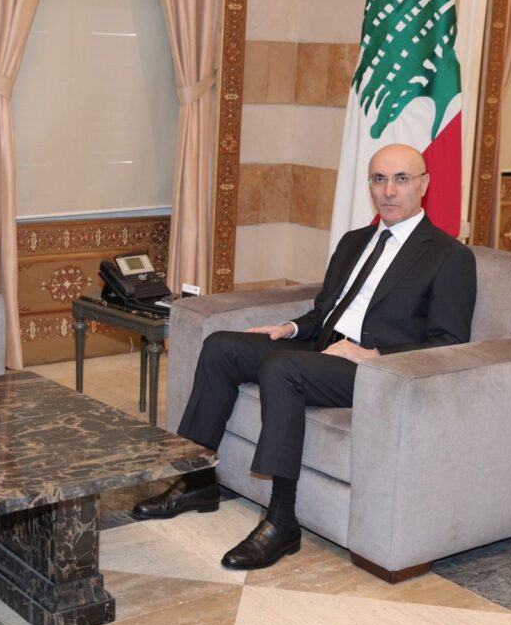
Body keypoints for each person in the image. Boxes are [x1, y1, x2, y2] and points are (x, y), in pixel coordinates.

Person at [133, 143, 477, 570]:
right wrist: (291, 328)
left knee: (283, 369)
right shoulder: (354, 242)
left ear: (424, 184)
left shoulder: (449, 256)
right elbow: (324, 311)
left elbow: (449, 343)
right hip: (322, 348)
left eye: (401, 179)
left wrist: (371, 353)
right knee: (222, 346)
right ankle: (197, 480)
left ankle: (281, 521)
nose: (388, 191)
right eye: (379, 179)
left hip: (376, 370)